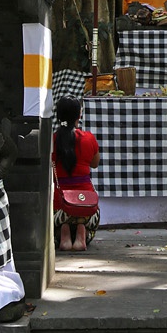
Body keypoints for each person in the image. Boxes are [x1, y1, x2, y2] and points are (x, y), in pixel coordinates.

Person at [52, 94, 100, 252]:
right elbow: (95, 164)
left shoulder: (52, 140)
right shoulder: (88, 138)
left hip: (59, 206)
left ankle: (63, 232)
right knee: (92, 215)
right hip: (86, 205)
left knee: (57, 214)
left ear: (58, 116)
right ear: (79, 114)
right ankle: (81, 231)